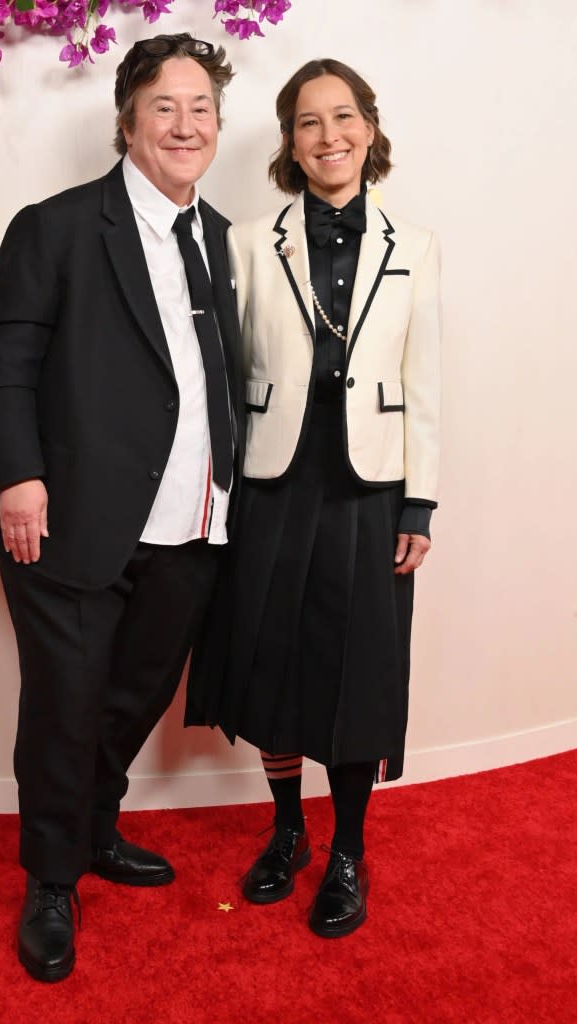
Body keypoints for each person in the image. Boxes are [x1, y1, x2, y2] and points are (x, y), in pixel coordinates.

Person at [0, 33, 242, 981]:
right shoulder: (60, 225)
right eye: (164, 105)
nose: (185, 123)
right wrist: (17, 475)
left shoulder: (220, 237)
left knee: (132, 697)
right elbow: (1, 359)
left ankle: (93, 830)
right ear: (127, 119)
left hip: (189, 523)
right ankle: (50, 880)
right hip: (65, 516)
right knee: (67, 704)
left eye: (200, 106)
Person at [187, 59, 441, 938]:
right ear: (290, 143)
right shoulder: (251, 241)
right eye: (307, 122)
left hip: (372, 492)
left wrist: (422, 504)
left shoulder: (417, 245)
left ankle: (347, 852)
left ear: (370, 127)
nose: (328, 136)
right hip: (273, 481)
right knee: (271, 660)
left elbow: (427, 379)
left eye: (344, 117)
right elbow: (222, 373)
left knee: (356, 671)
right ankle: (288, 827)